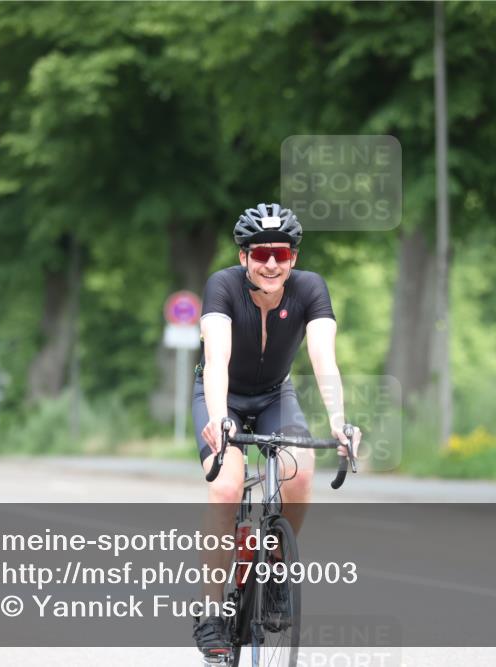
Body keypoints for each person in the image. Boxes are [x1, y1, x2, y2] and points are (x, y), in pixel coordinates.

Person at [191, 203, 362, 659]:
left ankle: (277, 567)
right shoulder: (222, 286)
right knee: (226, 490)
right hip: (221, 396)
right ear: (243, 255)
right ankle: (210, 616)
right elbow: (217, 360)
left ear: (294, 260)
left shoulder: (309, 290)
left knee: (301, 472)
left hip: (273, 396)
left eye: (281, 255)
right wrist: (218, 417)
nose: (271, 263)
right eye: (262, 252)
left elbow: (325, 360)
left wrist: (339, 423)